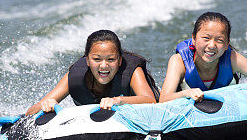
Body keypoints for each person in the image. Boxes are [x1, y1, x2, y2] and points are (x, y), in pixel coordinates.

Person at [26, 30, 159, 115]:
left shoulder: (131, 71)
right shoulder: (75, 77)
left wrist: (118, 100)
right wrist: (47, 105)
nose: (104, 65)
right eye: (96, 59)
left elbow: (150, 100)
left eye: (111, 59)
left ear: (119, 60)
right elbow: (30, 112)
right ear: (87, 60)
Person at [159, 12, 247, 103]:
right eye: (206, 38)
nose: (212, 45)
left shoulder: (232, 58)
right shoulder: (179, 61)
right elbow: (163, 99)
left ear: (227, 44)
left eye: (219, 40)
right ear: (194, 39)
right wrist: (186, 93)